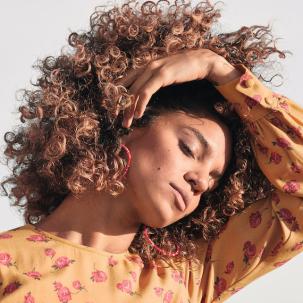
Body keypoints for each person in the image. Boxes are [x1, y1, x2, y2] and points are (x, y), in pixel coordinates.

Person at [0, 0, 302, 302]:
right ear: (128, 122)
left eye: (211, 183)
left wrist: (219, 70)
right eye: (189, 148)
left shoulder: (191, 277)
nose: (199, 182)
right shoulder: (8, 260)